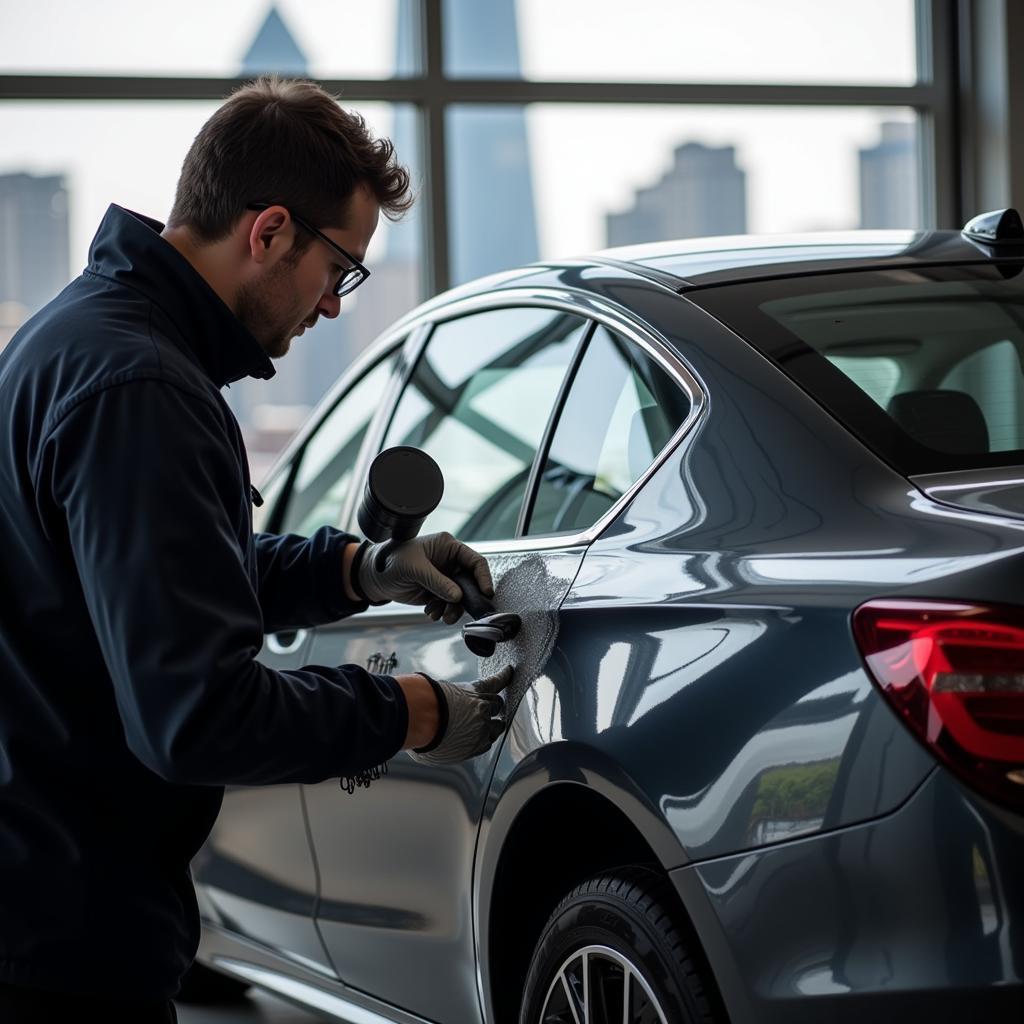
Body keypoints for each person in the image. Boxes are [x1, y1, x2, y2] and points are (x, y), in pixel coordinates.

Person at [0, 75, 512, 1023]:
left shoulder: (80, 338)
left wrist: (359, 569)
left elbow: (159, 581)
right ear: (269, 229)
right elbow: (195, 717)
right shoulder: (142, 389)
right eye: (341, 269)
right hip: (60, 935)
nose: (333, 307)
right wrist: (411, 711)